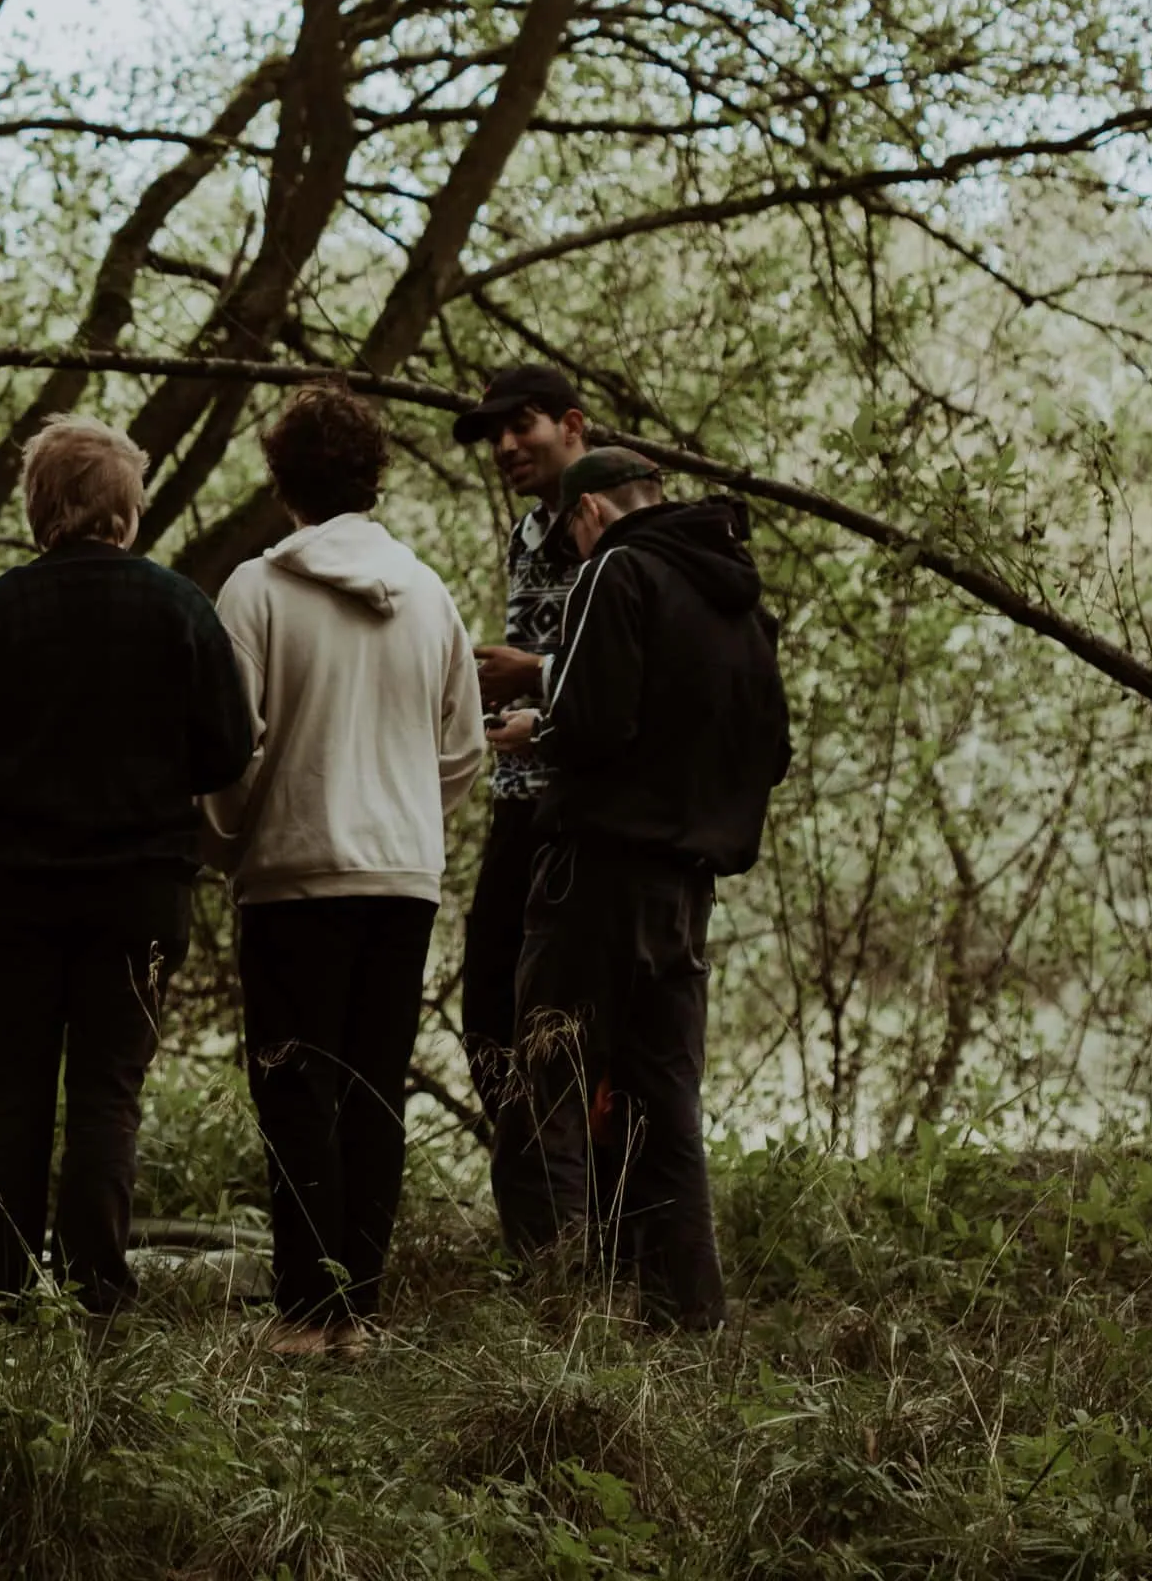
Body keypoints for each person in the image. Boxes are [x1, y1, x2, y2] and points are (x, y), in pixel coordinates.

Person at [0, 416, 256, 1319]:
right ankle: (97, 1290)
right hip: (138, 892)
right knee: (109, 1088)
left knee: (12, 1082)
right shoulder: (181, 607)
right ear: (128, 513)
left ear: (39, 510)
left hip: (17, 890)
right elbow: (228, 753)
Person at [204, 384, 487, 1354]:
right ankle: (358, 1310)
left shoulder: (253, 590)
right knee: (372, 1091)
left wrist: (234, 834)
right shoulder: (433, 593)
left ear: (281, 480)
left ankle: (302, 1311)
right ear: (375, 476)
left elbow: (230, 747)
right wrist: (405, 816)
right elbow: (463, 751)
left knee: (295, 1089)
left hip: (293, 876)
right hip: (401, 876)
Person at [513, 447, 791, 1331]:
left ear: (589, 510)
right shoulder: (740, 600)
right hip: (689, 890)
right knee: (666, 1106)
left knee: (549, 1085)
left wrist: (535, 728)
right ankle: (688, 1321)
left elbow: (594, 720)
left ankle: (552, 1316)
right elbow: (772, 750)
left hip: (597, 875)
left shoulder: (616, 569)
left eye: (569, 528)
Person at [448, 362, 595, 1253]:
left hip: (582, 815)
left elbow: (635, 663)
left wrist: (533, 674)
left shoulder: (609, 521)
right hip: (517, 805)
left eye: (523, 425)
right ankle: (539, 1238)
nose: (506, 445)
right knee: (489, 1022)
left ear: (571, 423)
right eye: (494, 433)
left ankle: (574, 1241)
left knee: (563, 1029)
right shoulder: (528, 529)